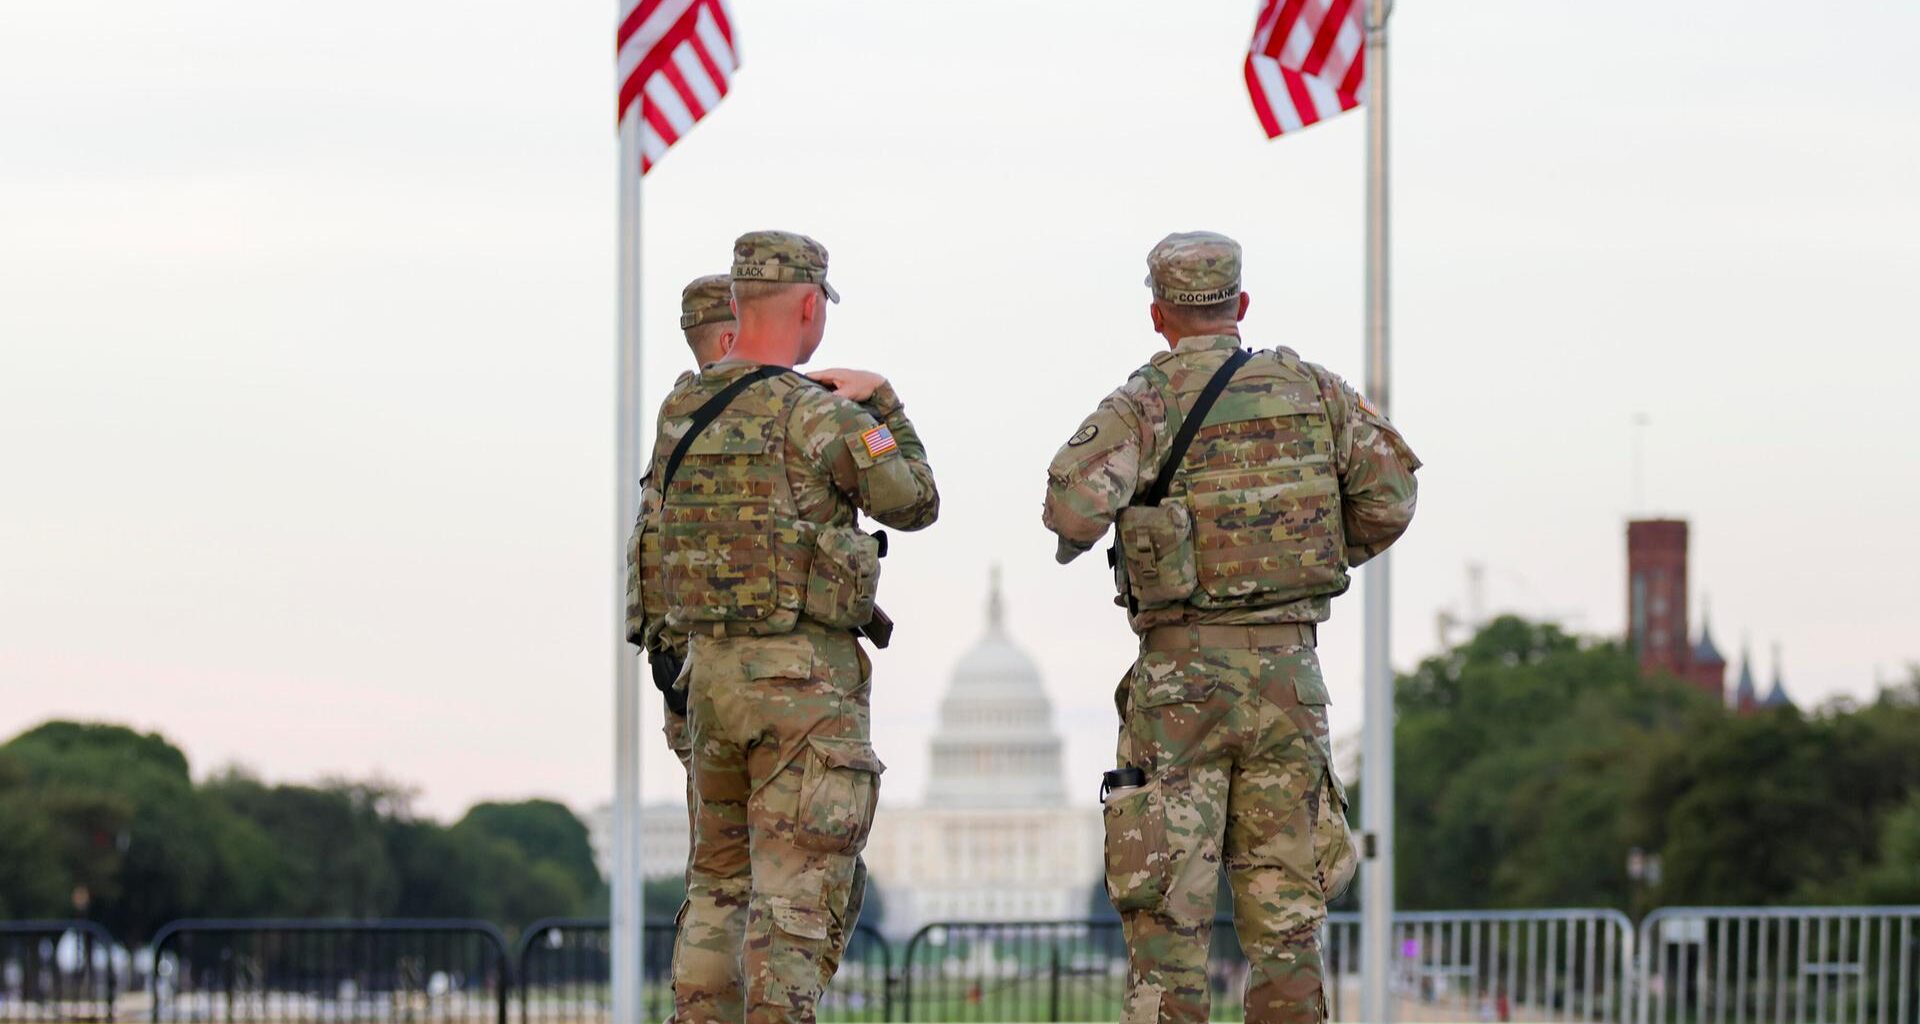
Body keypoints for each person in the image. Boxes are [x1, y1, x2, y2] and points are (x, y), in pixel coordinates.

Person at [1041, 231, 1420, 1024]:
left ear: (1158, 315)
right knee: (1288, 920)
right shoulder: (1317, 391)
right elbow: (1391, 501)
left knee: (1168, 923)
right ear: (1240, 305)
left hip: (1181, 683)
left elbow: (1070, 511)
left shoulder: (1141, 403)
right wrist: (1312, 557)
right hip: (1288, 676)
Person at [649, 231, 938, 1024]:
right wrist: (880, 404)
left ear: (737, 306)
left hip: (712, 682)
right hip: (802, 693)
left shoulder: (682, 412)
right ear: (810, 307)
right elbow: (914, 500)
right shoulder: (821, 416)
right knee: (795, 897)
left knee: (716, 885)